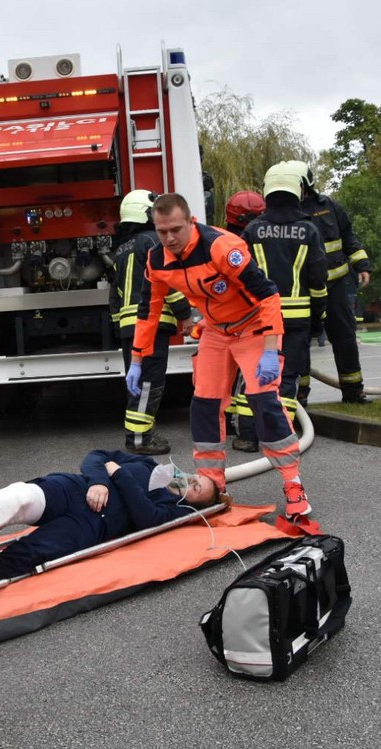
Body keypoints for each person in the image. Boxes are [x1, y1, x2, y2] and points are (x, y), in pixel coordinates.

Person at [127, 193, 314, 519]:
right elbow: (149, 311)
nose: (169, 238)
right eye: (161, 231)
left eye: (175, 229)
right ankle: (212, 488)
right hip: (216, 331)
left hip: (254, 327)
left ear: (190, 222)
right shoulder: (156, 260)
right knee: (205, 404)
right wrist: (137, 360)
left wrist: (271, 351)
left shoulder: (221, 248)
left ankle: (293, 484)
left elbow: (268, 295)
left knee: (263, 402)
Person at [0, 449, 221, 601]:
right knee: (13, 498)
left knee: (27, 552)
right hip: (73, 489)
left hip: (90, 526)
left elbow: (146, 517)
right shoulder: (147, 463)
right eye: (195, 478)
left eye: (196, 490)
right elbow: (96, 456)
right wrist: (98, 481)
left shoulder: (173, 511)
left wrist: (115, 474)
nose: (189, 483)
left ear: (195, 503)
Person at [231, 164, 329, 452]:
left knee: (252, 375)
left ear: (268, 193)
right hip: (297, 321)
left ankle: (247, 436)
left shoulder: (251, 230)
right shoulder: (309, 230)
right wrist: (318, 318)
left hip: (258, 319)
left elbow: (238, 277)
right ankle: (280, 437)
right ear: (297, 192)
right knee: (286, 380)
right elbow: (318, 281)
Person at [110, 189, 191, 455]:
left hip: (128, 328)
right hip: (151, 324)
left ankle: (139, 434)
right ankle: (139, 439)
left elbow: (115, 295)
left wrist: (118, 325)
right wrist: (185, 315)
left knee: (136, 383)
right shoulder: (154, 245)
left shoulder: (120, 250)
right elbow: (168, 281)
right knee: (150, 382)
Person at [290, 160, 374, 404]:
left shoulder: (329, 206)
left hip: (335, 286)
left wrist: (362, 265)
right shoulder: (286, 212)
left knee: (345, 336)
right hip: (303, 290)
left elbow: (348, 237)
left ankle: (353, 391)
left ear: (306, 184)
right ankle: (299, 395)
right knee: (300, 341)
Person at [221, 190, 268, 446]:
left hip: (224, 321)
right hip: (251, 319)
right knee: (248, 378)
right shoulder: (256, 243)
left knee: (227, 376)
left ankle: (230, 424)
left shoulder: (220, 241)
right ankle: (248, 433)